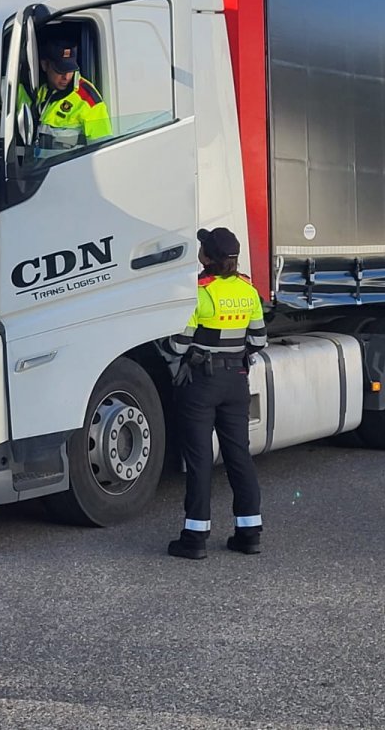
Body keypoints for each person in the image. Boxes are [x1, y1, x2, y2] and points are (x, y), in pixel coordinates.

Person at [163, 227, 267, 560]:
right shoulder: (248, 290)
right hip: (237, 379)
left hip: (201, 383)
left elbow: (178, 344)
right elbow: (260, 341)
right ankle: (249, 533)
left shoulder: (199, 292)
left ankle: (195, 538)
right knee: (239, 455)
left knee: (200, 461)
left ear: (206, 257)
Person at [19, 39, 112, 151]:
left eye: (70, 70)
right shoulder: (41, 90)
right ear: (44, 65)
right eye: (60, 70)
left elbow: (102, 149)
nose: (67, 77)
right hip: (40, 165)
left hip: (69, 167)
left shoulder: (88, 100)